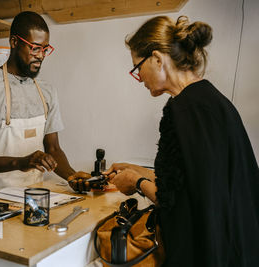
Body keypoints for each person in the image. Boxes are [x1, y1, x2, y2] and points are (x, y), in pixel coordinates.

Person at [103, 15, 259, 266]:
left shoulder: (183, 111)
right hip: (238, 248)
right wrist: (137, 170)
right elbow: (191, 180)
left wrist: (137, 182)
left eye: (137, 67)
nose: (139, 77)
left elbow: (173, 202)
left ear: (157, 58)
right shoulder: (210, 101)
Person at [0, 11, 91, 197]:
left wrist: (71, 176)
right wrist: (20, 163)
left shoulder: (46, 91)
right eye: (35, 48)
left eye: (45, 49)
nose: (41, 56)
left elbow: (53, 148)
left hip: (35, 197)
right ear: (14, 42)